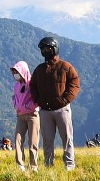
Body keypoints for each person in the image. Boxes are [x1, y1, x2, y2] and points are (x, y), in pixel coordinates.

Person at [29, 36, 81, 170]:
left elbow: (74, 83)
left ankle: (70, 165)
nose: (45, 51)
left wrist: (65, 100)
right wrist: (38, 100)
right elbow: (32, 86)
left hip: (62, 109)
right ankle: (48, 165)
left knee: (67, 138)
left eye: (48, 48)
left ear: (55, 49)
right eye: (43, 49)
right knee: (47, 140)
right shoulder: (39, 69)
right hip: (45, 111)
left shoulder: (65, 67)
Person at [11, 60, 40, 172]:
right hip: (20, 116)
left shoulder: (32, 83)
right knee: (18, 139)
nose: (15, 74)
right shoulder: (16, 86)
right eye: (14, 72)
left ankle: (33, 166)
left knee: (33, 141)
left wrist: (28, 107)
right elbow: (15, 97)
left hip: (32, 115)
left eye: (16, 71)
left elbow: (37, 98)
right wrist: (16, 105)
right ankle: (20, 165)